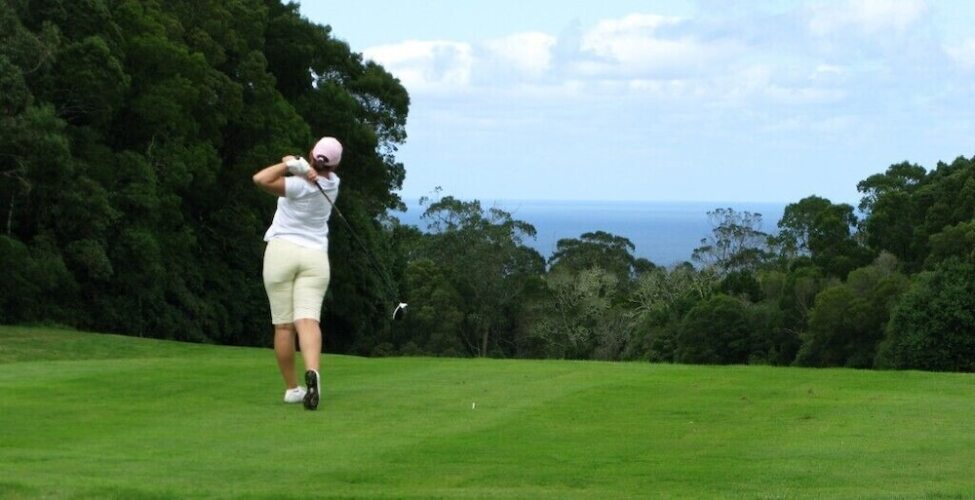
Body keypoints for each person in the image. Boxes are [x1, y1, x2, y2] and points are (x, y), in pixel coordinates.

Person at [252, 136, 343, 410]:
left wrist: (292, 165)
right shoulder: (333, 184)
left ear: (312, 153)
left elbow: (260, 179)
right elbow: (301, 164)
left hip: (281, 252)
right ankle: (312, 372)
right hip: (315, 258)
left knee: (284, 326)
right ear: (335, 165)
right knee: (308, 321)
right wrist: (298, 165)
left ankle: (293, 389)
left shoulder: (296, 186)